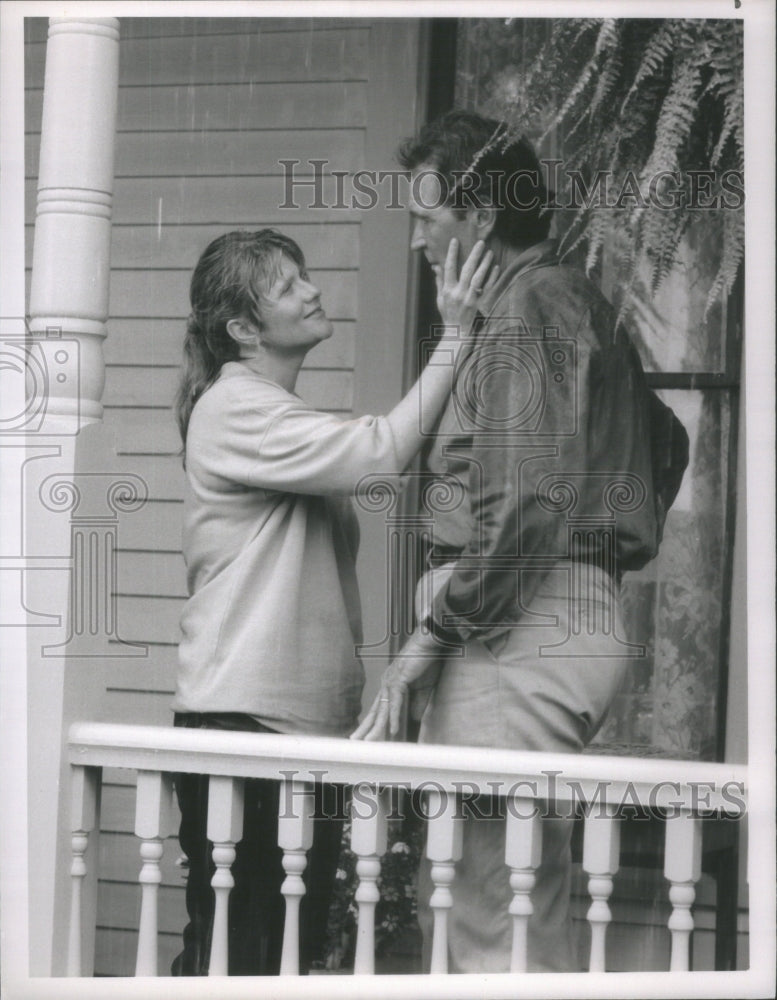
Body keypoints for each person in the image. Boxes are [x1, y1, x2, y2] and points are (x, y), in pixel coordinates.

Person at [353, 111, 687, 972]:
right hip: (553, 620)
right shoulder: (564, 301)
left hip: (514, 633)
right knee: (509, 900)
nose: (418, 238)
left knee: (489, 921)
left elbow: (523, 506)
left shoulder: (530, 309)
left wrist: (422, 647)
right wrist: (600, 556)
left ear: (481, 220)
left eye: (427, 218)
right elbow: (667, 442)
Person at [169, 227, 496, 975]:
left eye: (304, 275)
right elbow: (381, 450)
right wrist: (456, 333)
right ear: (243, 330)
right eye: (286, 287)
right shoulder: (234, 409)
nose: (311, 290)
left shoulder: (280, 413)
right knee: (241, 959)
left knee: (280, 956)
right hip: (243, 722)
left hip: (292, 727)